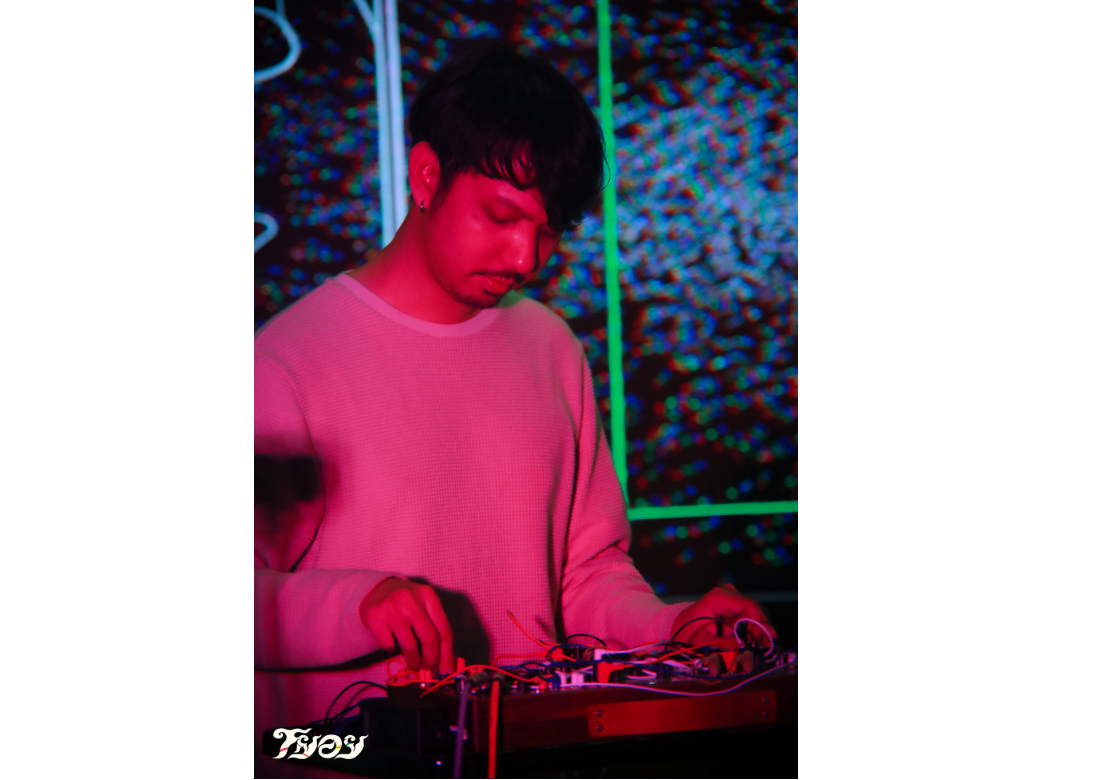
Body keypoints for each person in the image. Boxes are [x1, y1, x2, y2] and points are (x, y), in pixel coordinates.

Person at [253, 43, 776, 778]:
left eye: (547, 230)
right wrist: (353, 605)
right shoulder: (286, 362)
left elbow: (586, 574)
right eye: (501, 216)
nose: (526, 258)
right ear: (427, 176)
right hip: (339, 757)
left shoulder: (550, 346)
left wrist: (671, 629)